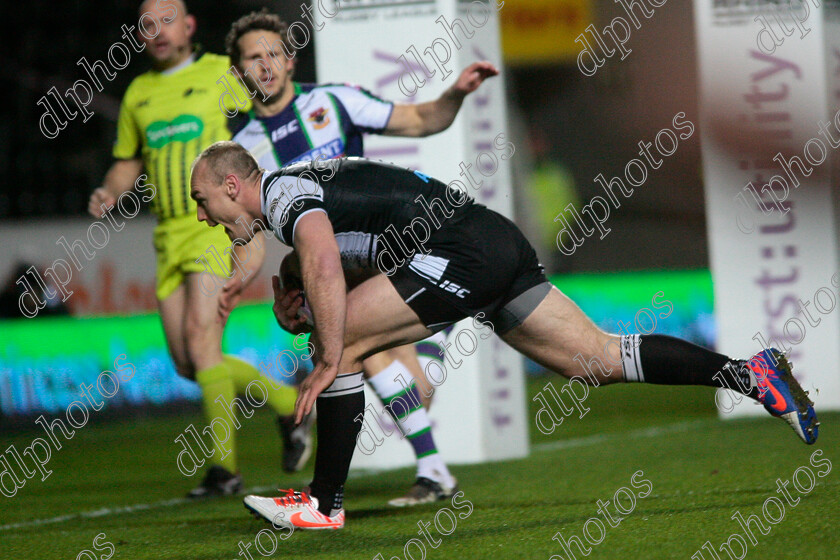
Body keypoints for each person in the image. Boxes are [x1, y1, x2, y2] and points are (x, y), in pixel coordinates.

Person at [188, 143, 818, 530]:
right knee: (596, 360)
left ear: (232, 186)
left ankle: (323, 504)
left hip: (461, 247)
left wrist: (325, 355)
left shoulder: (281, 195)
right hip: (490, 239)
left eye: (201, 200)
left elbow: (325, 261)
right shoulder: (294, 200)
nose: (199, 215)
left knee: (346, 345)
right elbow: (337, 258)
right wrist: (298, 292)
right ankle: (751, 373)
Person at [223, 9, 499, 505]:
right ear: (237, 72)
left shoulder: (334, 101)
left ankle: (363, 488)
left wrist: (455, 94)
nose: (264, 65)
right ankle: (433, 470)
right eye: (252, 57)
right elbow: (251, 232)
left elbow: (418, 119)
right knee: (386, 369)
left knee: (381, 364)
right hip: (328, 266)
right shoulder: (244, 151)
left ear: (291, 61)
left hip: (382, 248)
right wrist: (244, 283)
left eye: (274, 53)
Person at [87, 0, 298, 498]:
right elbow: (128, 160)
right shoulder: (139, 91)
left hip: (212, 224)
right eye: (146, 25)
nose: (157, 31)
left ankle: (225, 471)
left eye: (166, 20)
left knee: (204, 345)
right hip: (166, 234)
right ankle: (286, 402)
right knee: (187, 362)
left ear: (189, 27)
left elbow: (264, 121)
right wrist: (110, 189)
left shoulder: (219, 75)